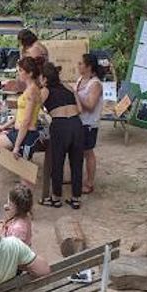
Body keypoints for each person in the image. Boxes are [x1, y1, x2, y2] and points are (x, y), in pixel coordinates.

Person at [40, 62, 84, 209]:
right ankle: (76, 198)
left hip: (60, 125)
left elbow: (35, 108)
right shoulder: (68, 87)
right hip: (76, 124)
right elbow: (80, 108)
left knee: (57, 162)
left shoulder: (45, 90)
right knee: (76, 163)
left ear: (45, 78)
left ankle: (56, 198)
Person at [0, 57, 42, 158]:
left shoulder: (32, 91)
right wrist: (3, 127)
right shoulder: (30, 89)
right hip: (18, 131)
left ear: (29, 73)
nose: (18, 73)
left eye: (21, 70)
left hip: (25, 134)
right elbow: (20, 114)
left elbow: (26, 121)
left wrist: (17, 146)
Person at [74, 54, 104, 194]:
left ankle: (90, 182)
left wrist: (76, 95)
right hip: (79, 121)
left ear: (88, 66)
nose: (78, 66)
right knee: (78, 151)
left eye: (81, 63)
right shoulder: (80, 79)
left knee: (88, 152)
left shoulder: (95, 84)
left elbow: (91, 105)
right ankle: (78, 177)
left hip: (89, 123)